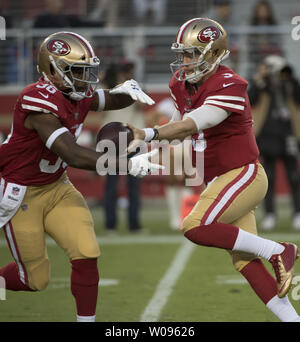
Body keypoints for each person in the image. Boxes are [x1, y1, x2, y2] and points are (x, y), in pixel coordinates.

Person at [128, 18, 300, 321]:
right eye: (183, 53)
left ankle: (278, 249)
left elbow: (196, 122)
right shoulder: (179, 84)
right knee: (245, 262)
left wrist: (148, 134)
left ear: (214, 53)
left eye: (193, 53)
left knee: (194, 226)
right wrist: (144, 151)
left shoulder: (230, 83)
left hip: (243, 174)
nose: (186, 61)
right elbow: (184, 132)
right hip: (220, 178)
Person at [0, 31, 161, 322]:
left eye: (87, 70)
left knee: (86, 253)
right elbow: (72, 153)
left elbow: (107, 99)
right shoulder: (37, 101)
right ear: (53, 70)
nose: (86, 79)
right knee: (34, 280)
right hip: (21, 192)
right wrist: (125, 164)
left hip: (57, 187)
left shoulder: (75, 91)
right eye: (78, 71)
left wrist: (127, 90)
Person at [248, 55, 300, 231]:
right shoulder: (262, 85)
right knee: (268, 178)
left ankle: (297, 214)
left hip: (288, 135)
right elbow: (249, 100)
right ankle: (270, 215)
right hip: (267, 136)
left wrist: (290, 78)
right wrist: (259, 79)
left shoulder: (288, 83)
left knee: (294, 177)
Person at [100, 61, 145, 232]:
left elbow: (141, 104)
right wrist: (108, 83)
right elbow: (99, 107)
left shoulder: (136, 87)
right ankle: (110, 224)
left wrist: (131, 87)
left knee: (134, 185)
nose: (129, 74)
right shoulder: (108, 89)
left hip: (133, 139)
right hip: (112, 139)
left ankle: (134, 224)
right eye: (126, 71)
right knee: (111, 185)